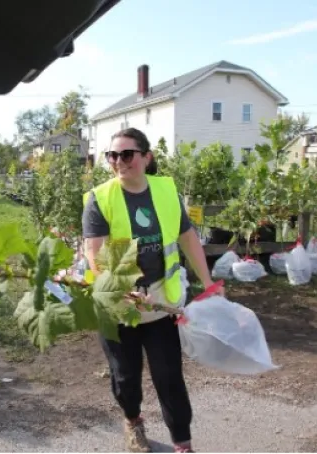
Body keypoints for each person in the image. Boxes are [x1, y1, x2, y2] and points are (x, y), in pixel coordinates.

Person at [82, 128, 224, 453]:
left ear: (146, 157)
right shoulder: (100, 199)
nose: (119, 162)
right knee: (126, 379)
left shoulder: (165, 192)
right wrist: (121, 290)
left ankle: (182, 444)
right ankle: (133, 421)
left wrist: (209, 282)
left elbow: (187, 236)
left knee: (170, 377)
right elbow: (95, 253)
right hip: (119, 307)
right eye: (113, 156)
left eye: (127, 154)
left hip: (161, 303)